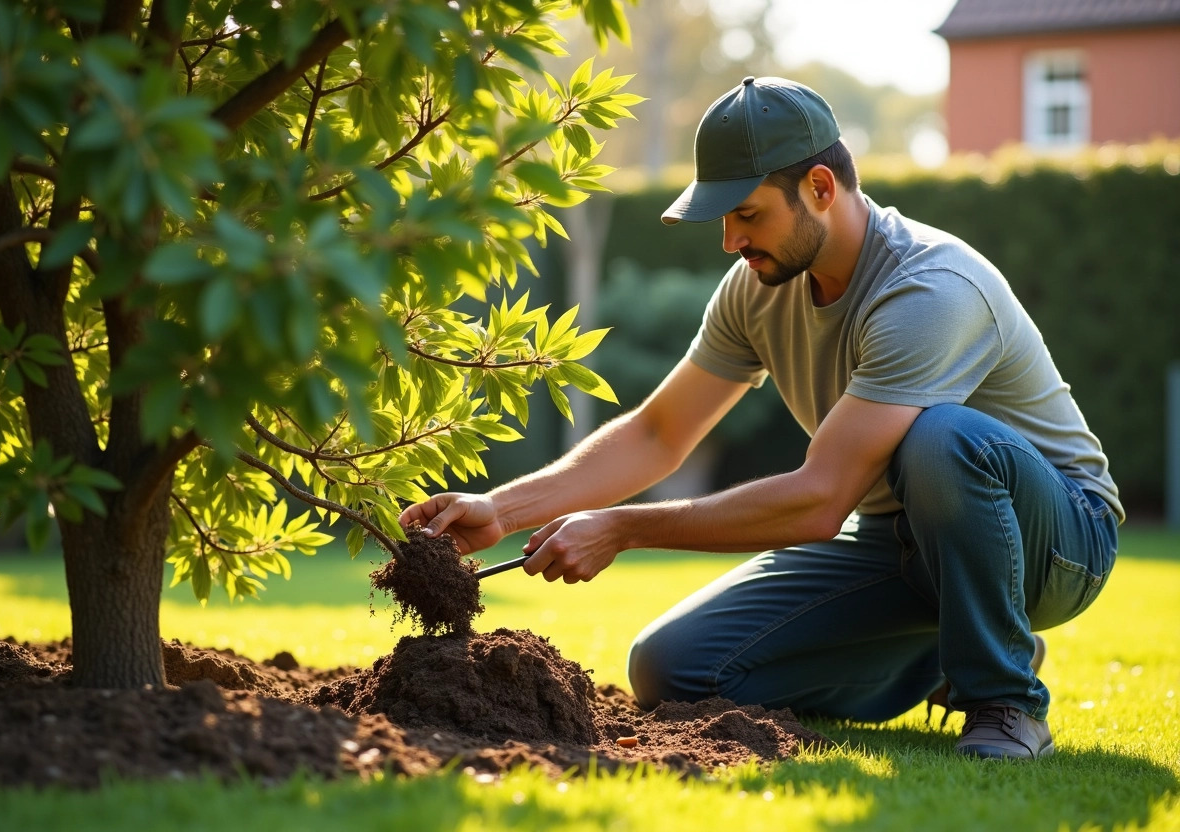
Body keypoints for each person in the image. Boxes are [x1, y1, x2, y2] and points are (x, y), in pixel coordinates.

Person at [400, 76, 1122, 760]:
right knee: (673, 668)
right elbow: (659, 433)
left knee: (942, 439)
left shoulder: (930, 287)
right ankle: (955, 646)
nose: (730, 241)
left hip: (1054, 542)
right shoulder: (757, 287)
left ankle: (1004, 698)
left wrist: (624, 526)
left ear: (820, 187)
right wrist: (502, 507)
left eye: (747, 214)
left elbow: (819, 499)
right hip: (898, 541)